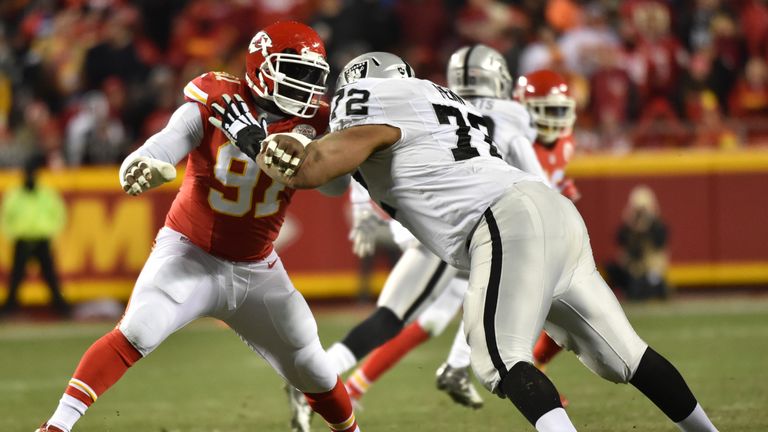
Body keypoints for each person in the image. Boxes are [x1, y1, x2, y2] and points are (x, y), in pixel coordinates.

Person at [217, 51, 719, 431]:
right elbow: (332, 173)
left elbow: (312, 169)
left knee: (500, 359)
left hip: (500, 220)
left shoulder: (370, 98)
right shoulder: (439, 98)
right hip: (552, 214)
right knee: (627, 357)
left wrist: (249, 135)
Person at [35, 21, 360, 432]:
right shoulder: (216, 98)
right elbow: (165, 143)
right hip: (189, 251)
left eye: (312, 75)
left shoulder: (318, 121)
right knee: (138, 330)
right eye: (296, 72)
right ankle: (55, 428)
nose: (307, 86)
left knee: (312, 362)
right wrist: (143, 165)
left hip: (257, 267)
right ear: (262, 67)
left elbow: (336, 187)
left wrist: (316, 156)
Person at [342, 64, 581, 410]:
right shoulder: (510, 130)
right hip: (474, 225)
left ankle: (359, 385)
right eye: (546, 110)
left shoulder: (553, 141)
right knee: (531, 297)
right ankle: (461, 368)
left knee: (437, 317)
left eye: (560, 110)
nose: (553, 120)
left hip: (489, 227)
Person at [0, 154, 69, 318]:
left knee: (50, 277)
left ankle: (62, 308)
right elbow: (5, 218)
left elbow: (59, 215)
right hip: (22, 241)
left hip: (41, 240)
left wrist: (49, 233)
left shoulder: (45, 194)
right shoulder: (15, 195)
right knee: (16, 278)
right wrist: (14, 235)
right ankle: (9, 309)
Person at [606, 184, 670, 300]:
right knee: (611, 268)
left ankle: (655, 289)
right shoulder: (629, 228)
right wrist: (632, 227)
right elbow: (621, 241)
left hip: (651, 269)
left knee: (647, 285)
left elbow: (660, 242)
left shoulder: (657, 226)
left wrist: (647, 227)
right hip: (633, 269)